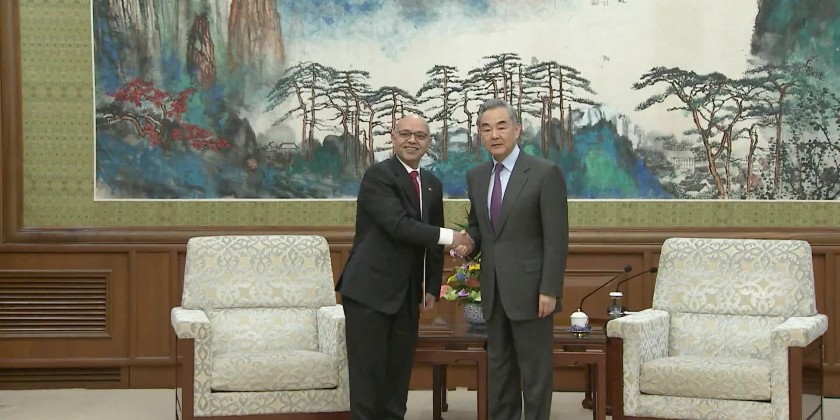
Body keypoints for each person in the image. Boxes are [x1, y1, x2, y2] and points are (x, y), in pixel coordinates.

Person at [336, 114, 473, 420]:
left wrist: (431, 287)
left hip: (407, 295)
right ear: (393, 137)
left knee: (398, 380)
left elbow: (432, 242)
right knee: (368, 379)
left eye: (420, 136)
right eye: (406, 134)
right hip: (369, 293)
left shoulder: (432, 185)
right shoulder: (378, 176)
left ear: (428, 143)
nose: (412, 140)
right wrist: (454, 237)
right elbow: (399, 226)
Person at [458, 98, 569, 420]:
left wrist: (549, 289)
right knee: (500, 371)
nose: (494, 135)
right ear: (480, 135)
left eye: (501, 126)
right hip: (493, 290)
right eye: (486, 129)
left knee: (535, 374)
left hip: (533, 292)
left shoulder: (545, 173)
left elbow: (556, 238)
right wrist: (469, 244)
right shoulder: (476, 176)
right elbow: (480, 228)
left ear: (517, 130)